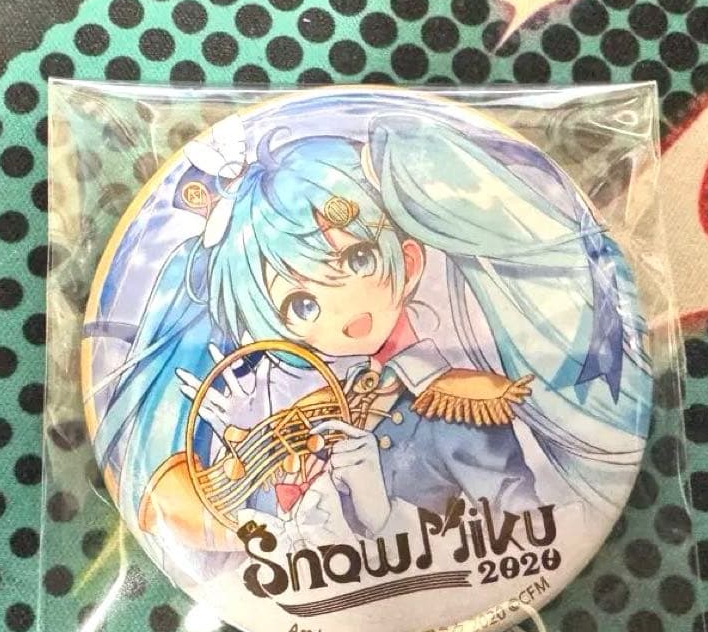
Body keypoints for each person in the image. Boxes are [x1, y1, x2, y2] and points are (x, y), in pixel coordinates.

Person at [91, 111, 651, 560]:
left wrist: (381, 512)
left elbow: (529, 528)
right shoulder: (310, 413)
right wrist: (254, 449)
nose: (345, 308)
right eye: (301, 305)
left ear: (410, 261)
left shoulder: (461, 402)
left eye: (359, 258)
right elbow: (267, 530)